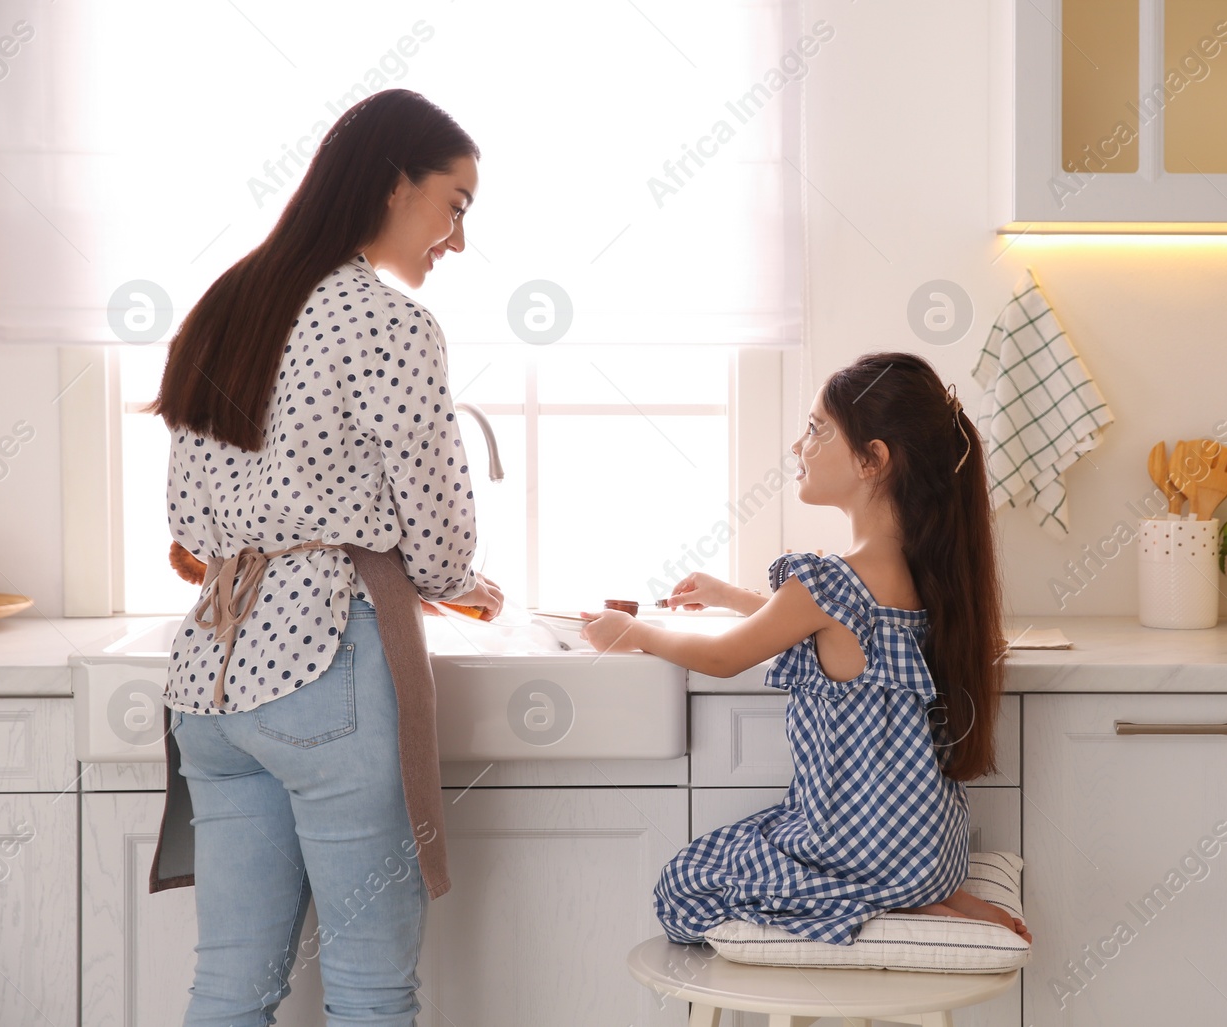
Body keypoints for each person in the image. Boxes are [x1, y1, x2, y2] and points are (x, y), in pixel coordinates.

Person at [146, 89, 502, 1026]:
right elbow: (435, 532)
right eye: (455, 204)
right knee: (372, 990)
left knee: (228, 987)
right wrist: (459, 583)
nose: (458, 238)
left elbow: (187, 517)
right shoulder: (387, 323)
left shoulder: (226, 303)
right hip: (325, 670)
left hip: (211, 688)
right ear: (394, 183)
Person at [580, 351, 1031, 947]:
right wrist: (732, 596)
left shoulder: (829, 582)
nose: (799, 446)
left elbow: (726, 659)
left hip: (856, 851)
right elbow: (827, 628)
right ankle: (928, 895)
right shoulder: (929, 573)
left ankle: (890, 909)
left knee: (682, 887)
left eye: (818, 429)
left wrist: (632, 633)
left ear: (873, 460)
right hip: (930, 847)